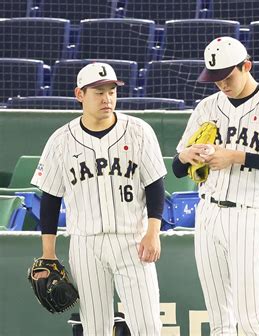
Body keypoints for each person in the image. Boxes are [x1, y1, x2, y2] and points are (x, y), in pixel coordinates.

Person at [172, 36, 259, 335]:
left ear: (247, 66)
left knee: (250, 320)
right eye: (215, 79)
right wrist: (186, 155)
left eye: (228, 76)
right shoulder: (206, 107)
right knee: (219, 322)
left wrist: (236, 156)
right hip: (208, 214)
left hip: (251, 215)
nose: (222, 84)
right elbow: (178, 169)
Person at [31, 62, 165, 335]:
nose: (107, 98)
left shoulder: (139, 131)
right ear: (79, 94)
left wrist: (153, 232)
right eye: (98, 92)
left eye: (111, 91)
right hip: (86, 244)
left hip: (132, 241)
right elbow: (50, 199)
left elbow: (154, 184)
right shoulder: (61, 141)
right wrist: (48, 253)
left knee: (148, 326)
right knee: (95, 328)